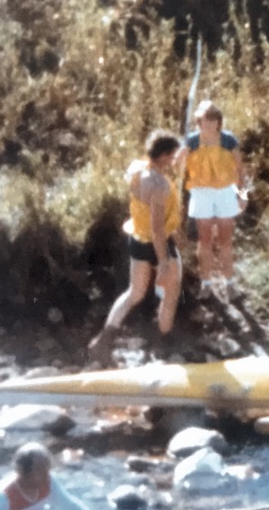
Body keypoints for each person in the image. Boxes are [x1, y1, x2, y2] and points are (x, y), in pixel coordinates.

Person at [88, 129, 183, 363]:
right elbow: (158, 228)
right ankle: (164, 341)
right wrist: (162, 261)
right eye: (172, 157)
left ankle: (103, 340)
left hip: (137, 240)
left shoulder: (136, 169)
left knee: (135, 292)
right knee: (171, 293)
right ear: (162, 156)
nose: (173, 161)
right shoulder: (159, 185)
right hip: (157, 243)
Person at [176, 100, 247, 301]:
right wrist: (180, 156)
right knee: (204, 241)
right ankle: (206, 284)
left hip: (225, 192)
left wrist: (243, 197)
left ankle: (229, 284)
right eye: (202, 121)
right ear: (198, 123)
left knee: (225, 242)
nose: (206, 125)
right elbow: (177, 168)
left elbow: (241, 171)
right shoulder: (191, 142)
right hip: (201, 193)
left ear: (217, 122)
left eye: (210, 121)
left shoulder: (228, 140)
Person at [0, 443, 90, 510]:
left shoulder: (48, 482)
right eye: (40, 470)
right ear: (22, 472)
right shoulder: (3, 498)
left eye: (47, 469)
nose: (47, 475)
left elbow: (69, 505)